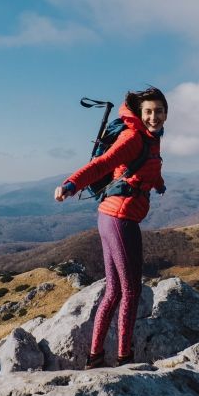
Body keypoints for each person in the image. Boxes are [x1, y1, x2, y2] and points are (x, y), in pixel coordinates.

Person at [54, 87, 167, 369]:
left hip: (110, 217)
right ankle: (125, 358)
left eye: (159, 111)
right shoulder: (133, 138)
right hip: (121, 218)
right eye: (149, 112)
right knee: (131, 292)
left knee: (114, 291)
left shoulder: (152, 139)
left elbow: (147, 166)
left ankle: (94, 358)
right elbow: (102, 163)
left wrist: (158, 183)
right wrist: (71, 184)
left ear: (166, 113)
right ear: (141, 115)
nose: (154, 116)